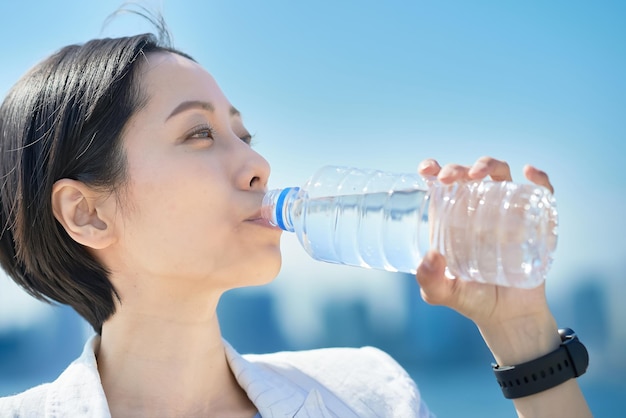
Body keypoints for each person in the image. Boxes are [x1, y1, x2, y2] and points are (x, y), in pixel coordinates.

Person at [0, 13, 592, 418]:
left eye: (245, 132)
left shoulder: (367, 395)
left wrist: (522, 336)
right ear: (87, 213)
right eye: (199, 133)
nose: (258, 163)